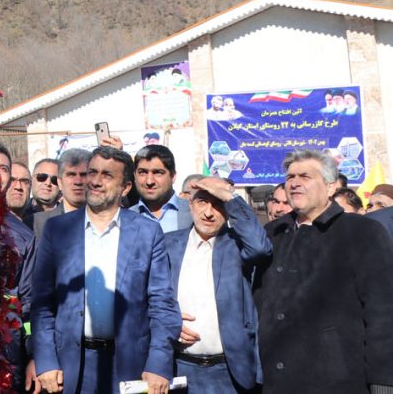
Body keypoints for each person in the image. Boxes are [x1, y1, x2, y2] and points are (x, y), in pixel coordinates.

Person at [31, 145, 181, 394]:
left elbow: (162, 304)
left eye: (107, 175)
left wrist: (158, 362)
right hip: (70, 367)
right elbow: (42, 304)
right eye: (93, 172)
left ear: (126, 187)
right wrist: (45, 361)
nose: (95, 181)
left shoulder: (147, 232)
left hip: (129, 367)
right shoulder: (58, 230)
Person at [255, 150, 393, 393]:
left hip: (336, 381)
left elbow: (383, 313)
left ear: (330, 187)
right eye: (290, 177)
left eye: (305, 176)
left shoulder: (362, 232)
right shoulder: (272, 233)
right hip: (274, 379)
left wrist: (383, 382)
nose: (295, 183)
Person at [165, 176, 272, 393]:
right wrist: (168, 320)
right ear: (190, 204)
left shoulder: (237, 246)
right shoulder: (168, 244)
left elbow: (261, 248)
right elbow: (149, 298)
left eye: (218, 203)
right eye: (202, 201)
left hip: (229, 373)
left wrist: (230, 196)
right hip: (179, 368)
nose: (208, 212)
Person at [131, 144, 192, 233]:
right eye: (142, 172)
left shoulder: (193, 212)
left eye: (158, 173)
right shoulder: (124, 218)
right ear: (134, 176)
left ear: (173, 176)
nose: (149, 181)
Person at [31, 148, 90, 238]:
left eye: (83, 175)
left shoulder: (107, 221)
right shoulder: (35, 223)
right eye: (71, 175)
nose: (78, 181)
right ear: (60, 182)